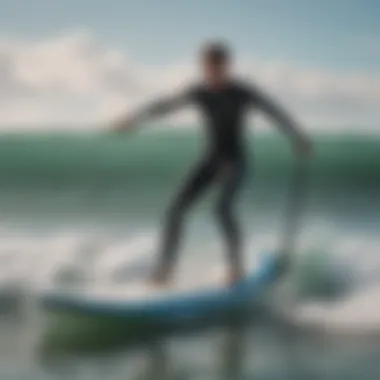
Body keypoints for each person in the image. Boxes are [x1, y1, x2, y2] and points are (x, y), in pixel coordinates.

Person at [112, 41, 312, 286]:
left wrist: (295, 135)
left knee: (222, 209)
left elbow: (273, 110)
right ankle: (165, 270)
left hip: (235, 161)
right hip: (210, 159)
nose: (211, 73)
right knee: (175, 210)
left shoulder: (242, 92)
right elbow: (165, 106)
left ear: (226, 66)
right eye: (206, 68)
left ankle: (236, 268)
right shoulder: (200, 92)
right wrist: (135, 118)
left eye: (216, 67)